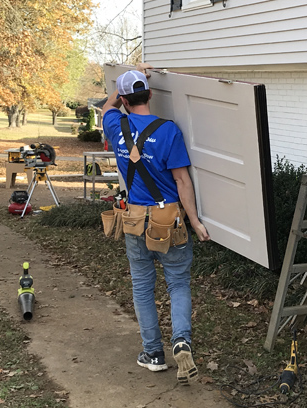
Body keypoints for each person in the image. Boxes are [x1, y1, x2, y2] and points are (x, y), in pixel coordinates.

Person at [101, 66, 210, 385]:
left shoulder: (114, 124)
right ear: (150, 95)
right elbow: (182, 181)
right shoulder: (169, 130)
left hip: (135, 221)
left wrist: (127, 81)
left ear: (124, 98)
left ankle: (153, 353)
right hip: (169, 220)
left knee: (142, 287)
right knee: (177, 284)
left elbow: (108, 107)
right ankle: (181, 342)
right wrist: (196, 222)